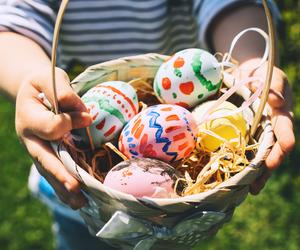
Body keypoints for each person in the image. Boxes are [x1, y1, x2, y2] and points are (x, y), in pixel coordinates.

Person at [0, 0, 295, 249]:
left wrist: (251, 66)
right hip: (81, 194)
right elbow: (13, 18)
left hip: (181, 213)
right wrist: (34, 79)